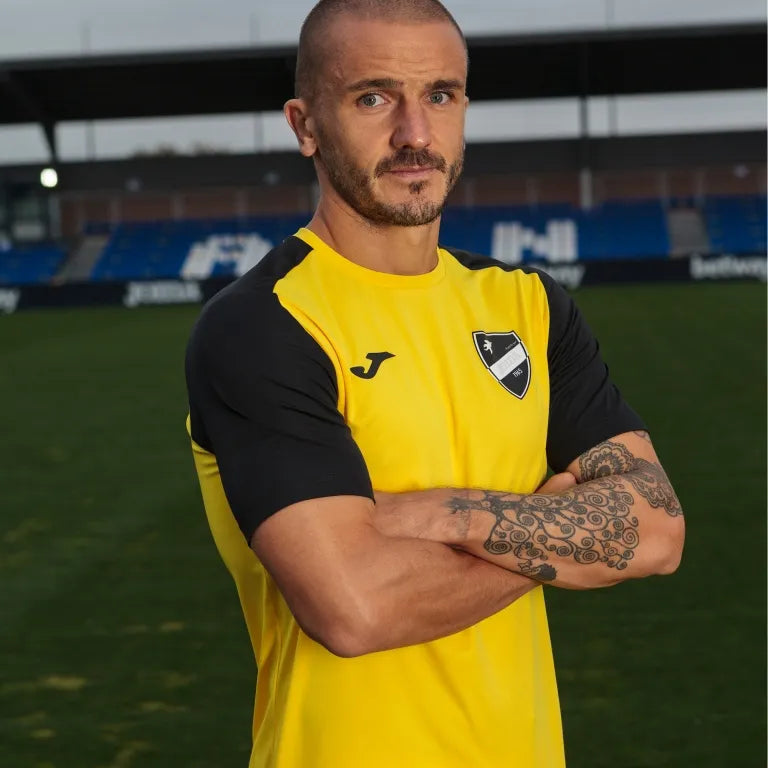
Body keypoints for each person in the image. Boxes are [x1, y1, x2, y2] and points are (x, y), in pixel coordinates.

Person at [184, 1, 685, 766]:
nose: (415, 133)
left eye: (440, 95)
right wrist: (554, 520)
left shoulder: (529, 306)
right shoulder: (263, 324)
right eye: (373, 98)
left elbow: (657, 531)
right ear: (304, 125)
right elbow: (355, 609)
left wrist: (440, 514)